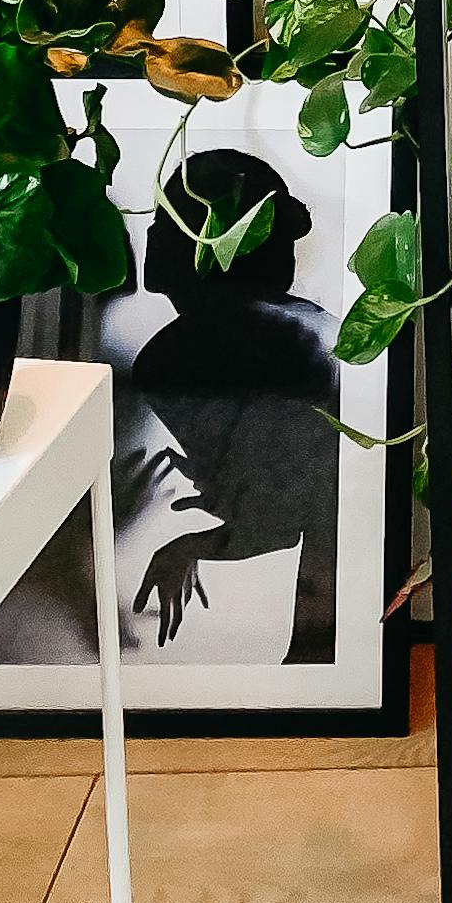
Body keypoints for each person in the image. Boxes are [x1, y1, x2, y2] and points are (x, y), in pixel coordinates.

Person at [127, 146, 344, 661]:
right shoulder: (332, 334)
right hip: (336, 599)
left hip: (329, 597)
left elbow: (274, 516)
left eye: (164, 225)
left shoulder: (175, 358)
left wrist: (192, 543)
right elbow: (286, 509)